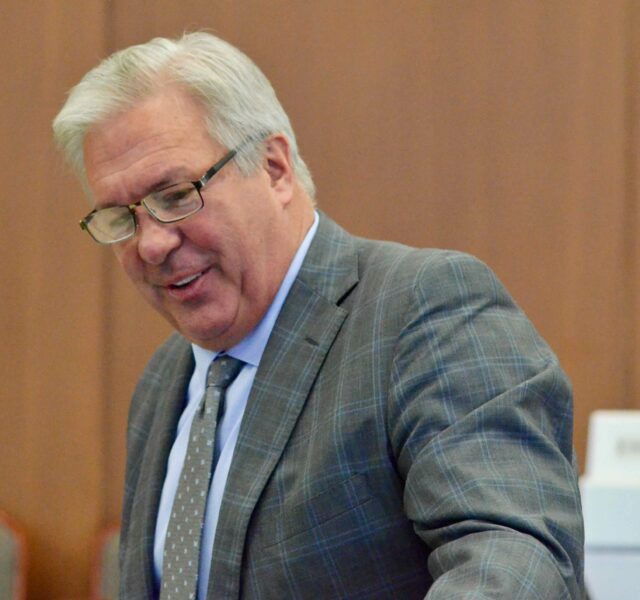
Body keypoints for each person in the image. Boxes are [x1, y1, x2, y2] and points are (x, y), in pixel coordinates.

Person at [53, 32, 584, 600]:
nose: (152, 244)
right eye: (120, 218)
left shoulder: (422, 310)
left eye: (177, 195)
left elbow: (513, 557)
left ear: (275, 169)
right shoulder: (166, 380)